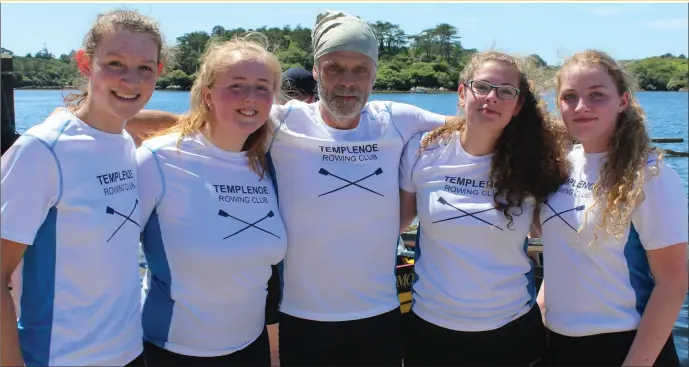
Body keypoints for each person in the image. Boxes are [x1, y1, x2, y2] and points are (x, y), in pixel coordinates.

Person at [125, 10, 461, 366]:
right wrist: (92, 121)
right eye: (334, 68)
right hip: (300, 319)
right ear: (316, 71)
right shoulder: (283, 122)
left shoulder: (395, 118)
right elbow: (211, 122)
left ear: (374, 73)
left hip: (379, 315)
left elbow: (474, 128)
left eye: (359, 69)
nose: (347, 81)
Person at [0, 9, 164, 366]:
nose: (130, 81)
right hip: (60, 358)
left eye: (144, 68)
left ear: (158, 73)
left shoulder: (123, 141)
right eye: (115, 64)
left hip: (130, 352)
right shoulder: (42, 151)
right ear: (85, 64)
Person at [397, 51, 568, 366]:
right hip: (430, 332)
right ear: (463, 94)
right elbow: (392, 224)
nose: (492, 97)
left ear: (517, 106)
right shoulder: (423, 151)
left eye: (506, 91)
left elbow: (566, 242)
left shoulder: (535, 165)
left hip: (511, 332)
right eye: (483, 87)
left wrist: (545, 303)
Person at [137, 34, 286, 367]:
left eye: (262, 87)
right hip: (171, 351)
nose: (250, 97)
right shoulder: (158, 160)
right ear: (207, 93)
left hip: (251, 348)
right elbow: (109, 255)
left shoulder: (270, 164)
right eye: (236, 85)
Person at [536, 49, 688, 366]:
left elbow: (673, 284)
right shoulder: (563, 166)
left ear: (623, 101)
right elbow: (564, 248)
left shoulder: (650, 176)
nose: (581, 107)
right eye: (569, 96)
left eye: (597, 95)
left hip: (627, 346)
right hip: (557, 344)